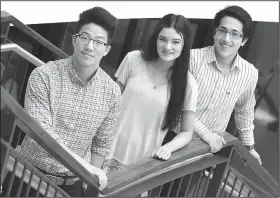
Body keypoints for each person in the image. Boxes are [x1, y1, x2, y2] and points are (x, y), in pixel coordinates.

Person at [2, 6, 121, 197]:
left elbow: (101, 143)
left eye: (98, 42)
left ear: (106, 50)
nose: (90, 46)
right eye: (85, 38)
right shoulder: (44, 75)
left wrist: (89, 181)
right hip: (26, 174)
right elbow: (42, 132)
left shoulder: (112, 92)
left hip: (70, 186)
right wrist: (85, 167)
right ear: (74, 39)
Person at [103, 13, 198, 175]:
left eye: (176, 42)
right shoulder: (133, 59)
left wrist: (167, 148)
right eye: (163, 39)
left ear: (184, 45)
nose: (168, 47)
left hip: (141, 164)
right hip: (105, 150)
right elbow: (109, 105)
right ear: (155, 38)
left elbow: (187, 132)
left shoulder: (188, 84)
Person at [189, 5, 262, 164]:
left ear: (244, 40)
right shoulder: (192, 59)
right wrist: (204, 133)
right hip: (173, 138)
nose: (226, 39)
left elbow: (244, 111)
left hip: (206, 150)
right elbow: (176, 102)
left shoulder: (249, 73)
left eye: (235, 34)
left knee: (183, 189)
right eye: (222, 31)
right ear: (215, 32)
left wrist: (249, 147)